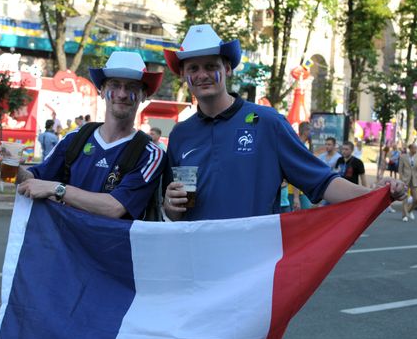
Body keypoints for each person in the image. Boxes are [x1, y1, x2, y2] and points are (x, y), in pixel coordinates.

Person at [162, 24, 406, 221]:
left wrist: (377, 194)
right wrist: (171, 206)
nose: (202, 75)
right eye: (193, 68)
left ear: (227, 69)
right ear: (184, 75)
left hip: (255, 265)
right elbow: (175, 211)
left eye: (210, 66)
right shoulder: (181, 134)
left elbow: (322, 182)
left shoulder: (268, 123)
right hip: (199, 261)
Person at [0, 51, 167, 220]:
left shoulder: (150, 153)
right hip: (67, 244)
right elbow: (33, 180)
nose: (122, 94)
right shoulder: (76, 138)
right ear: (102, 91)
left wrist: (58, 189)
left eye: (131, 87)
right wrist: (11, 169)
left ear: (143, 95)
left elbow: (115, 207)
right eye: (114, 85)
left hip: (112, 246)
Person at [398, 143, 417, 222]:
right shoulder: (403, 157)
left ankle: (408, 211)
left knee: (416, 199)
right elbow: (400, 169)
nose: (415, 150)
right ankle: (404, 215)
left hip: (414, 180)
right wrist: (401, 179)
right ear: (410, 149)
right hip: (405, 180)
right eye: (414, 148)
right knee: (405, 198)